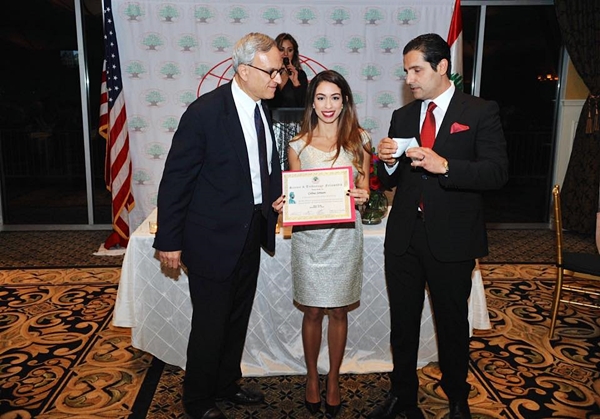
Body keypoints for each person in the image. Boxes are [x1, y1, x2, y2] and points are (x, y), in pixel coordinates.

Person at [367, 34, 508, 419]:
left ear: (442, 66)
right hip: (404, 237)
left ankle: (457, 397)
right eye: (406, 71)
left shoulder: (478, 111)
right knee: (403, 323)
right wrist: (387, 161)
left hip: (453, 239)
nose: (409, 79)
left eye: (416, 70)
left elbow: (496, 173)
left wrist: (445, 166)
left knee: (451, 324)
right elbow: (391, 180)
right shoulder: (403, 116)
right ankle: (402, 396)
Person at [153, 32, 285, 419]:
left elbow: (260, 171)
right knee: (210, 324)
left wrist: (276, 201)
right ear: (244, 71)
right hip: (211, 239)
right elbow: (176, 180)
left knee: (236, 318)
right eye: (272, 72)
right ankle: (197, 400)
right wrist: (169, 240)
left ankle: (226, 384)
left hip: (251, 232)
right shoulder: (205, 113)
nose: (279, 79)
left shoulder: (262, 110)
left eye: (280, 70)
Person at [288, 70, 371, 418]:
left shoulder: (360, 139)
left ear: (345, 101)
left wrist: (364, 195)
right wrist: (286, 203)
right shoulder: (298, 145)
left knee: (338, 311)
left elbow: (365, 189)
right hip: (309, 240)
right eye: (321, 97)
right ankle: (312, 376)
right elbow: (295, 194)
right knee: (311, 311)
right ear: (312, 102)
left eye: (335, 97)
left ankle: (333, 378)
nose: (328, 105)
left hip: (344, 237)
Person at [266, 33, 308, 108]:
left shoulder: (300, 75)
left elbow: (303, 106)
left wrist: (296, 83)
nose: (285, 54)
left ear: (294, 53)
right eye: (281, 50)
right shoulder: (267, 73)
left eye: (290, 50)